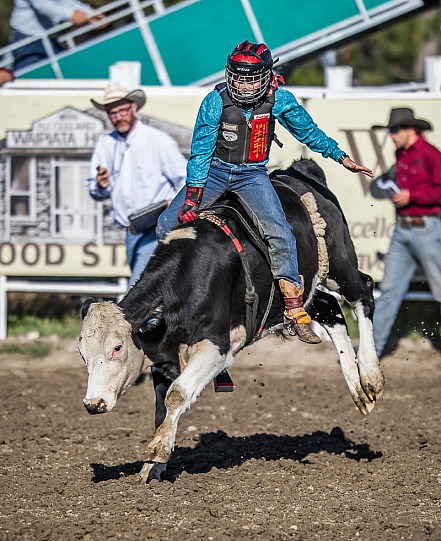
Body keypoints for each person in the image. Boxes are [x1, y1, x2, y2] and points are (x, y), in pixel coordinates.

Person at [157, 41, 373, 344]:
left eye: (251, 78)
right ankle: (170, 294)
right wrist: (193, 194)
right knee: (167, 223)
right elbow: (201, 150)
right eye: (239, 77)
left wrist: (339, 156)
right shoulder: (215, 101)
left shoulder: (279, 99)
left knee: (280, 232)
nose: (244, 85)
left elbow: (307, 131)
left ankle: (293, 307)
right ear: (229, 74)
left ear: (267, 76)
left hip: (252, 175)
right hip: (216, 171)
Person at [87, 82, 187, 289]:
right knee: (150, 290)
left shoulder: (157, 141)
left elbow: (185, 178)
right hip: (131, 230)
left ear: (133, 107)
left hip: (156, 227)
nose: (118, 117)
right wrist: (101, 185)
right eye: (113, 113)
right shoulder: (106, 144)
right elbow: (95, 189)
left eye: (122, 110)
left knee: (137, 289)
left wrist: (173, 203)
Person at [371, 107, 441, 358]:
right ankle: (372, 350)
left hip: (427, 229)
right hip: (403, 230)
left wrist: (412, 196)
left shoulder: (432, 155)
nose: (392, 135)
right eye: (391, 130)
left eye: (396, 129)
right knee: (388, 291)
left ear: (412, 130)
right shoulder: (401, 154)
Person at [9, 0, 104, 71]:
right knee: (32, 80)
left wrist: (90, 13)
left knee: (68, 70)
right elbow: (42, 5)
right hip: (27, 40)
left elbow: (65, 1)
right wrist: (71, 14)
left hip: (48, 39)